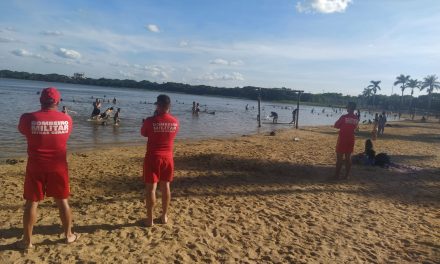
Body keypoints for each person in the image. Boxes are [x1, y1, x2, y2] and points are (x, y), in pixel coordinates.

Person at [17, 87, 79, 249]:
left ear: (40, 100)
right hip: (58, 167)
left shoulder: (28, 118)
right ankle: (68, 235)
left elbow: (22, 131)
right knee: (62, 201)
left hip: (35, 167)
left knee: (31, 203)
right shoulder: (67, 120)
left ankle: (27, 241)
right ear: (57, 102)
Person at [141, 94, 179, 227]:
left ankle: (150, 219)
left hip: (152, 157)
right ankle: (164, 216)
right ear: (169, 106)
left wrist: (149, 121)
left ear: (158, 105)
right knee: (166, 186)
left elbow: (144, 133)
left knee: (151, 189)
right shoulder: (175, 121)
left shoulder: (150, 120)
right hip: (167, 157)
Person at [332, 102, 359, 180]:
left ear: (350, 108)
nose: (346, 108)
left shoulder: (344, 117)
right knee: (348, 158)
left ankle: (336, 175)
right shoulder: (356, 118)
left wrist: (342, 126)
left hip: (343, 138)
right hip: (351, 138)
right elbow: (355, 127)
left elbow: (336, 125)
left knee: (339, 158)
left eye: (347, 107)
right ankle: (347, 176)